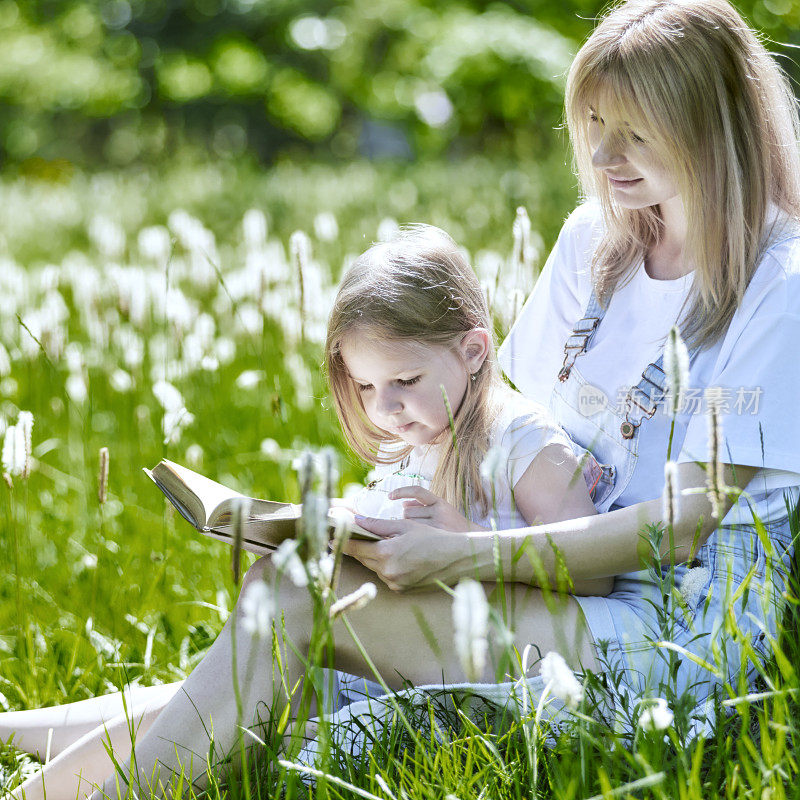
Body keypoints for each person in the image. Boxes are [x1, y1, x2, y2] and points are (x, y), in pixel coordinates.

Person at [5, 0, 800, 794]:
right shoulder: (598, 242)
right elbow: (516, 432)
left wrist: (458, 557)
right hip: (542, 577)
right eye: (594, 121)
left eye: (635, 129)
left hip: (668, 632)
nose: (601, 151)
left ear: (712, 124)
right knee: (286, 619)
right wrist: (417, 521)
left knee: (293, 604)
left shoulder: (779, 284)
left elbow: (683, 525)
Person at [1, 227, 610, 798]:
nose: (386, 408)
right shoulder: (420, 442)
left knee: (217, 695)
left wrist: (462, 539)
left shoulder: (525, 443)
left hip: (501, 656)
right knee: (199, 697)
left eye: (405, 379)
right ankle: (19, 755)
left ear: (474, 351)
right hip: (389, 647)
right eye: (367, 387)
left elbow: (593, 573)